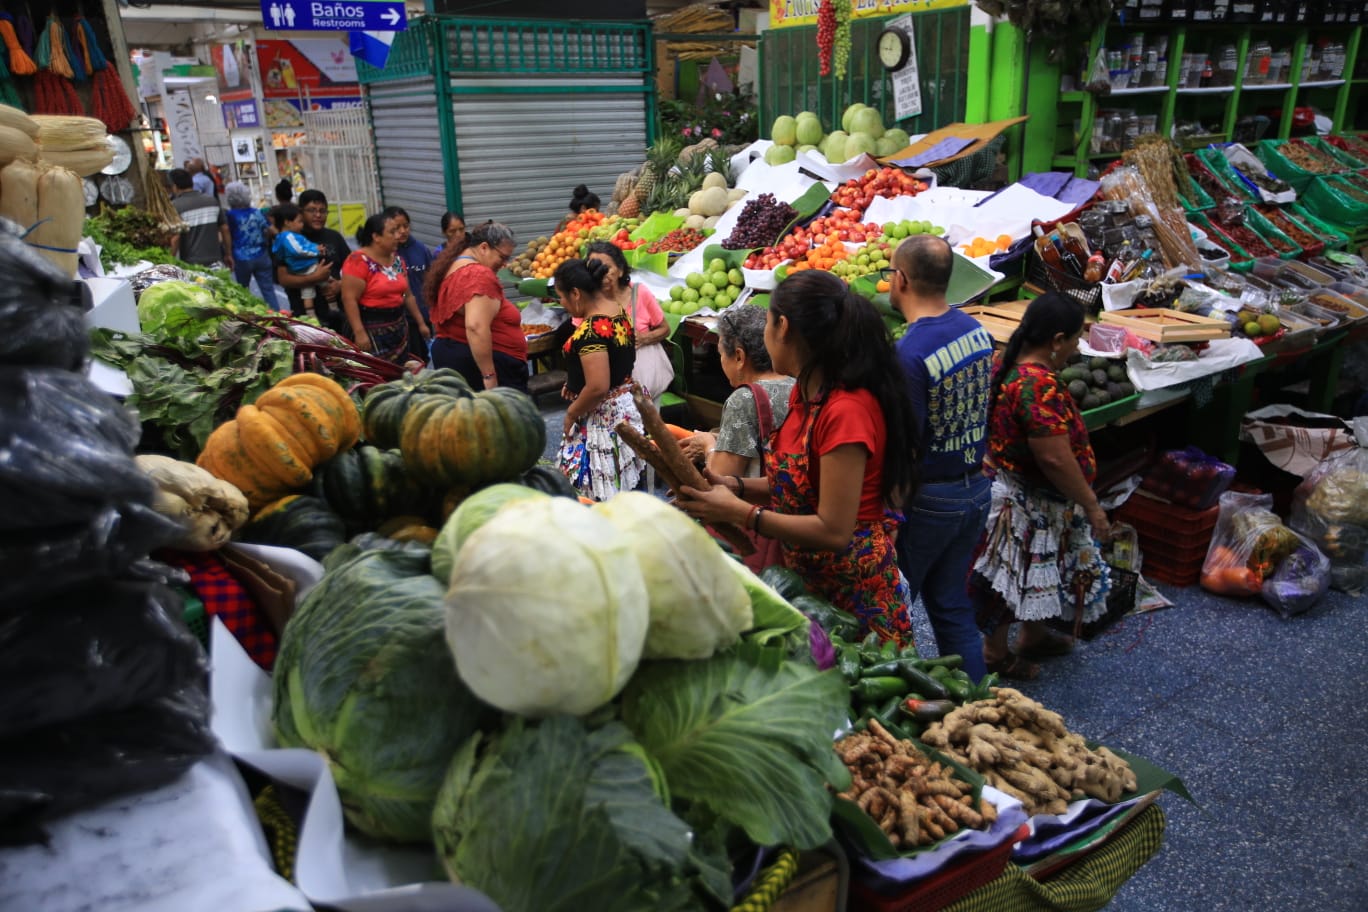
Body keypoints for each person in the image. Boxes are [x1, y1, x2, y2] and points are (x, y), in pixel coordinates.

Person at [678, 271, 921, 645]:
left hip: (852, 592)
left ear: (783, 327)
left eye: (768, 323)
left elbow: (834, 529)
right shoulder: (805, 396)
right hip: (809, 583)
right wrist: (736, 486)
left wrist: (742, 514)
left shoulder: (845, 411)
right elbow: (800, 483)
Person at [970, 292, 1114, 680]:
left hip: (1022, 490)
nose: (1077, 347)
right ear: (1056, 340)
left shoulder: (1008, 364)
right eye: (1075, 338)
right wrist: (1091, 505)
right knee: (1010, 576)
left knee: (1037, 570)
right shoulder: (1037, 386)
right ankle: (994, 654)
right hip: (1028, 501)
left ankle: (1033, 635)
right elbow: (1053, 457)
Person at [889, 236, 995, 683]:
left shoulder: (909, 353)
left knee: (892, 607)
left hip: (930, 500)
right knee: (951, 605)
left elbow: (906, 446)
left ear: (901, 279)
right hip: (974, 491)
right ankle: (977, 704)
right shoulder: (976, 332)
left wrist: (890, 509)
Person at [681, 304, 795, 572]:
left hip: (756, 523)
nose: (721, 361)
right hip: (794, 519)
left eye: (721, 353)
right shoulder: (796, 384)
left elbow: (720, 480)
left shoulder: (744, 399)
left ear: (740, 357)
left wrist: (709, 446)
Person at [553, 257, 644, 501]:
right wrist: (574, 383)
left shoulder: (592, 331)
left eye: (561, 297)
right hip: (623, 405)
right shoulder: (616, 311)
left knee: (599, 493)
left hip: (603, 415)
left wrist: (572, 412)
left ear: (575, 293)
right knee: (622, 487)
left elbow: (597, 386)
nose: (562, 304)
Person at [425, 222, 527, 392]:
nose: (505, 265)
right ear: (484, 247)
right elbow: (476, 327)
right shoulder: (478, 275)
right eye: (502, 257)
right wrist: (489, 376)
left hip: (459, 357)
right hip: (483, 368)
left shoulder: (457, 263)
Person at [585, 241, 674, 404]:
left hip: (644, 382)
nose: (601, 274)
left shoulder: (640, 293)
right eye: (594, 269)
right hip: (607, 389)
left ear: (620, 270)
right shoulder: (587, 300)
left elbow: (665, 329)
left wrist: (644, 338)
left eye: (606, 268)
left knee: (648, 426)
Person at [340, 212, 431, 365]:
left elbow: (408, 295)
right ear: (376, 237)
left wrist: (421, 323)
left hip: (398, 328)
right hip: (371, 330)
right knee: (377, 377)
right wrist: (360, 333)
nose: (398, 235)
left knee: (399, 375)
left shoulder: (397, 260)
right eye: (392, 231)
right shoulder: (358, 260)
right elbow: (349, 299)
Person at [273, 189, 350, 329]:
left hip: (339, 316)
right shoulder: (288, 240)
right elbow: (283, 279)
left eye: (323, 211)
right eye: (312, 210)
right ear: (301, 212)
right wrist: (314, 278)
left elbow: (354, 272)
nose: (318, 215)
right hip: (305, 319)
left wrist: (340, 285)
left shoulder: (335, 237)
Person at [223, 181, 279, 308]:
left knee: (243, 292)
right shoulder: (256, 212)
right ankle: (278, 316)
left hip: (241, 257)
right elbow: (272, 230)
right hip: (262, 255)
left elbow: (227, 235)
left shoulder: (230, 216)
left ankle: (249, 317)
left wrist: (228, 253)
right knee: (268, 291)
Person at [169, 168, 230, 268]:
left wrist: (169, 262)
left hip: (192, 264)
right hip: (216, 261)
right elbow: (225, 229)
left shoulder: (175, 206)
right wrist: (228, 254)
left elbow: (176, 238)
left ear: (175, 187)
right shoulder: (212, 201)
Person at [272, 204, 325, 313]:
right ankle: (320, 313)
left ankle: (312, 315)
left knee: (308, 293)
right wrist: (316, 251)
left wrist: (315, 247)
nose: (302, 224)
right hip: (305, 269)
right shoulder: (288, 237)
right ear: (287, 222)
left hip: (301, 269)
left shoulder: (286, 237)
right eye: (300, 221)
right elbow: (299, 250)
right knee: (317, 287)